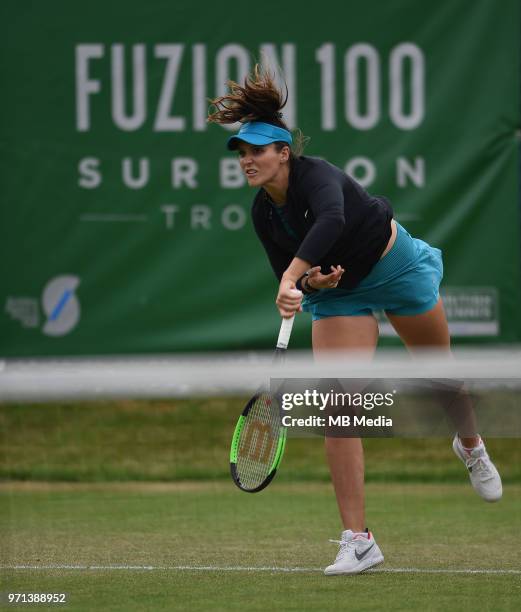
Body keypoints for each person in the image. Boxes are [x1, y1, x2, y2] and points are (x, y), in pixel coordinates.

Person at [208, 65, 502, 576]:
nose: (247, 160)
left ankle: (471, 445)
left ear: (283, 152)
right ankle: (359, 540)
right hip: (341, 296)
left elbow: (332, 221)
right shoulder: (263, 213)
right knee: (339, 405)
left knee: (443, 375)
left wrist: (293, 277)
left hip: (395, 267)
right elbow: (290, 276)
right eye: (241, 152)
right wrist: (307, 285)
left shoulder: (317, 174)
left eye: (257, 150)